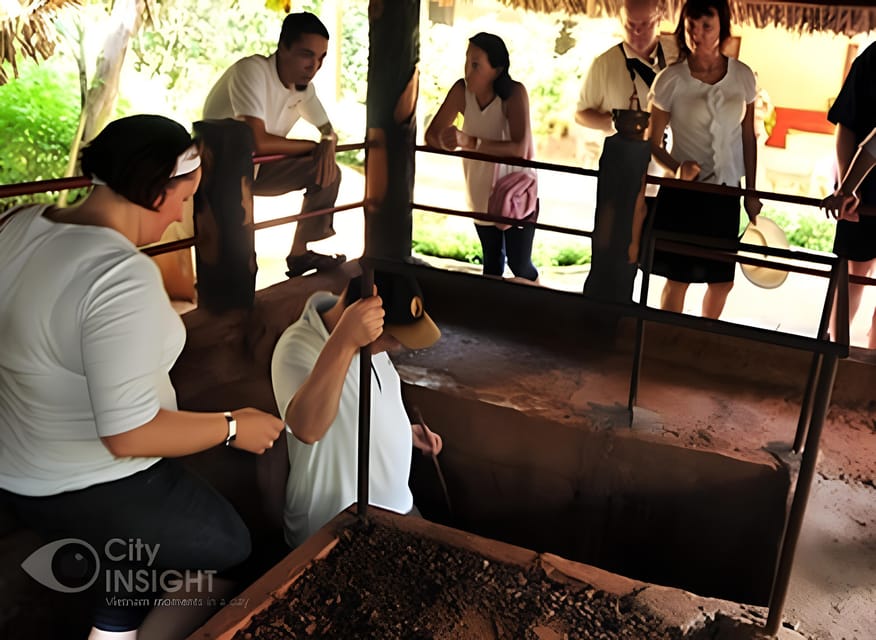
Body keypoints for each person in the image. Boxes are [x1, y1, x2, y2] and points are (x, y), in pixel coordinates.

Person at [0, 115, 285, 640]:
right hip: (86, 479)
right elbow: (128, 435)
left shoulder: (19, 224)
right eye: (183, 197)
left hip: (17, 464)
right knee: (229, 548)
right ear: (157, 191)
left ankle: (115, 623)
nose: (182, 212)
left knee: (146, 537)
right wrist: (231, 425)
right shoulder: (116, 275)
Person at [271, 270, 443, 548]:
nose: (398, 346)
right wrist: (345, 340)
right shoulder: (298, 347)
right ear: (360, 315)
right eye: (393, 336)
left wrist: (402, 431)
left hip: (398, 507)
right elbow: (308, 428)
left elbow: (360, 405)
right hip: (336, 527)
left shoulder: (372, 344)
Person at [203, 11, 346, 278]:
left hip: (257, 168)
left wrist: (327, 140)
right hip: (221, 174)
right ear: (283, 48)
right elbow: (256, 140)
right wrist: (313, 146)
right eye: (306, 54)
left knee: (328, 171)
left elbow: (327, 129)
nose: (314, 66)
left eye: (321, 58)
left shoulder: (303, 89)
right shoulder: (252, 70)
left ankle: (300, 254)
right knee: (238, 267)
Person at [646, 0, 762, 319]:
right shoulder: (671, 80)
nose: (698, 34)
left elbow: (749, 137)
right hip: (685, 193)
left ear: (722, 27)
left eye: (706, 26)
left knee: (722, 280)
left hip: (726, 191)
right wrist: (676, 168)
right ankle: (666, 338)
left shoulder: (742, 77)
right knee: (678, 277)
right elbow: (650, 143)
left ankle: (704, 337)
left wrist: (751, 192)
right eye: (691, 27)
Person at [424, 32, 539, 282]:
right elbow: (431, 134)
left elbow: (519, 147)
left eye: (476, 64)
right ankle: (492, 315)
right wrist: (445, 141)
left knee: (521, 264)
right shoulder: (461, 91)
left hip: (514, 194)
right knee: (492, 263)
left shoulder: (514, 94)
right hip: (478, 192)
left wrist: (470, 142)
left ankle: (542, 311)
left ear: (497, 70)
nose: (468, 70)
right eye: (467, 61)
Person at [575, 0, 673, 196]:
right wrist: (619, 124)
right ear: (620, 20)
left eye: (645, 24)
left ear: (660, 18)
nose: (637, 32)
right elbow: (581, 115)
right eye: (631, 24)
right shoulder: (604, 63)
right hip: (622, 171)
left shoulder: (677, 55)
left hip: (671, 172)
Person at [821, 42, 876, 348]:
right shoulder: (870, 59)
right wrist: (847, 187)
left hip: (859, 184)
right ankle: (833, 352)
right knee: (853, 275)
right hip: (865, 189)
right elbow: (852, 127)